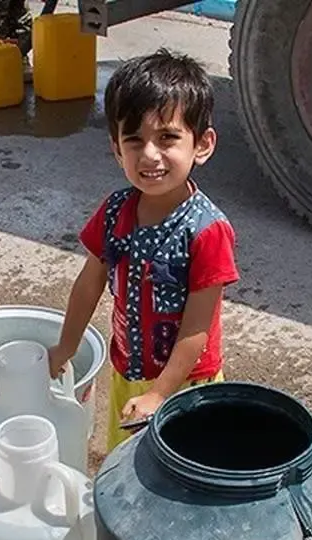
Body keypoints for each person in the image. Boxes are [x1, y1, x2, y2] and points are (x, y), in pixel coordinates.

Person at [48, 49, 240, 452]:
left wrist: (160, 393)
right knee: (126, 460)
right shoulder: (115, 211)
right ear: (117, 149)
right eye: (134, 140)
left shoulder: (208, 231)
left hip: (187, 383)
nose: (149, 154)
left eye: (167, 137)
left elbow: (197, 328)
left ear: (202, 145)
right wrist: (66, 346)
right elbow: (88, 284)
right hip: (128, 370)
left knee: (182, 467)